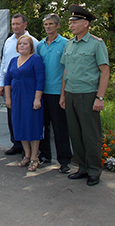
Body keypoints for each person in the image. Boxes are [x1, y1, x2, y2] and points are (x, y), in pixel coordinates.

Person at [60, 4, 110, 186]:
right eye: (71, 22)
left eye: (75, 21)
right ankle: (82, 168)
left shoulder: (97, 44)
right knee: (75, 133)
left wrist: (100, 97)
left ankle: (94, 170)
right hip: (71, 94)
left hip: (88, 95)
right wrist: (63, 95)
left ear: (86, 23)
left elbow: (104, 71)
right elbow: (66, 71)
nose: (71, 25)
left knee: (91, 134)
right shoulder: (69, 44)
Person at [0, 14, 38, 155]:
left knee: (28, 116)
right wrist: (1, 83)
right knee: (13, 116)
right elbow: (4, 63)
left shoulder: (34, 42)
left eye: (18, 24)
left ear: (25, 25)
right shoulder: (8, 41)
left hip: (28, 87)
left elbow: (37, 64)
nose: (15, 27)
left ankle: (31, 151)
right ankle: (16, 144)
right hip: (12, 85)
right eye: (13, 24)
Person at [36, 13, 72, 173]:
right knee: (43, 126)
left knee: (60, 128)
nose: (48, 27)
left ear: (58, 25)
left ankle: (64, 161)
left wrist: (63, 95)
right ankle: (45, 156)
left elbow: (67, 70)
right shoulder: (41, 45)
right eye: (46, 24)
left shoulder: (65, 44)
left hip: (58, 92)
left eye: (51, 24)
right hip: (42, 92)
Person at [4, 35, 45, 172]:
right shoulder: (13, 60)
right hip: (16, 98)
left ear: (31, 46)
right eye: (20, 44)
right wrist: (8, 98)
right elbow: (7, 80)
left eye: (25, 44)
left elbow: (40, 80)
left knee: (32, 126)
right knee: (20, 125)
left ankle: (34, 157)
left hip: (30, 97)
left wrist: (37, 98)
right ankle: (26, 156)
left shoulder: (35, 59)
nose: (22, 46)